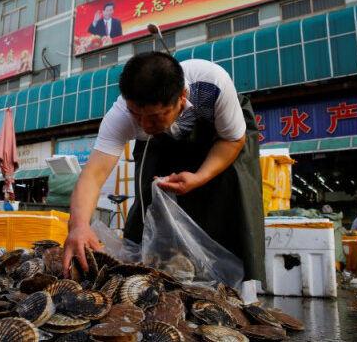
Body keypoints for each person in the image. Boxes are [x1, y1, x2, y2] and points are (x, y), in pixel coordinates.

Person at [62, 52, 265, 284]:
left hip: (220, 138)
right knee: (149, 197)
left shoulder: (213, 84)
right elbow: (93, 175)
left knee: (231, 195)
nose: (145, 125)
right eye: (136, 115)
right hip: (165, 143)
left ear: (182, 96)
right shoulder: (120, 116)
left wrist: (200, 177)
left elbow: (232, 140)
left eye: (154, 117)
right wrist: (78, 225)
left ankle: (233, 286)